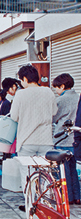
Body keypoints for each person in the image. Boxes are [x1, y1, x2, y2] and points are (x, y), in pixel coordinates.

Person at [10, 64, 56, 157]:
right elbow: (54, 112)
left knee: (27, 171)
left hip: (27, 141)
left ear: (25, 79)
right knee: (45, 170)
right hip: (45, 140)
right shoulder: (48, 91)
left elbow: (14, 116)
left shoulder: (20, 94)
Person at [53, 73, 80, 204]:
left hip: (63, 138)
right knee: (73, 169)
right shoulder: (78, 97)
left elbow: (53, 116)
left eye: (57, 88)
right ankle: (77, 196)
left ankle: (67, 197)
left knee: (64, 170)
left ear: (62, 86)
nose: (56, 91)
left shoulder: (61, 100)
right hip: (75, 139)